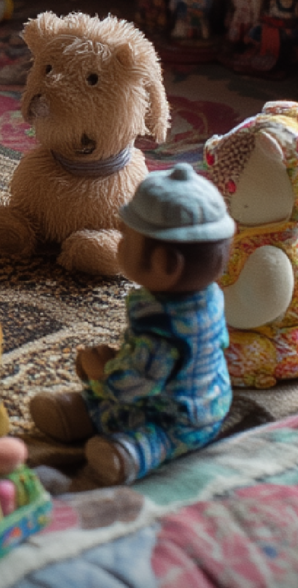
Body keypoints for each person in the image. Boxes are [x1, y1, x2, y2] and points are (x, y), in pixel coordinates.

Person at [29, 166, 236, 484]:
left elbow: (139, 382)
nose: (119, 243)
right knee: (107, 402)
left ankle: (124, 455)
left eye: (126, 238)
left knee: (151, 435)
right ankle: (79, 414)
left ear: (164, 263)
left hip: (180, 417)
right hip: (209, 398)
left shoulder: (163, 327)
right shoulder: (207, 296)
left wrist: (102, 372)